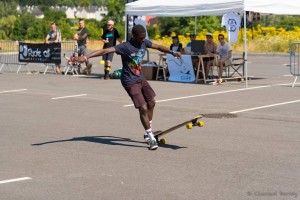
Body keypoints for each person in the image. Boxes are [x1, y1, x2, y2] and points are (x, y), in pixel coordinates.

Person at [73, 25, 181, 150]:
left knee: (151, 102)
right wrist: (86, 57)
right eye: (140, 38)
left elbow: (158, 46)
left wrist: (173, 52)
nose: (142, 40)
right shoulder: (124, 47)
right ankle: (151, 138)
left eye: (144, 37)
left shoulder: (144, 42)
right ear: (133, 36)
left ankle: (147, 131)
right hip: (129, 81)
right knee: (143, 108)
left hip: (140, 78)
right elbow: (105, 51)